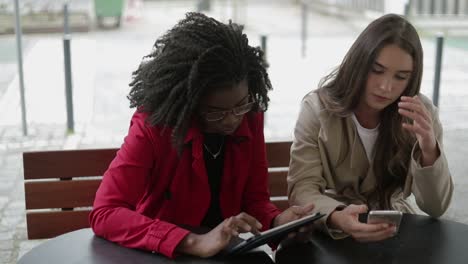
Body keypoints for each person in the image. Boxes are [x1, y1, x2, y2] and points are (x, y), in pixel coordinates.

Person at [89, 12, 314, 259]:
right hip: (164, 255)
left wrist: (278, 221)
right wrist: (194, 241)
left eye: (240, 105)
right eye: (216, 112)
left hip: (226, 254)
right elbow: (105, 212)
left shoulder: (250, 117)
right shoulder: (154, 125)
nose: (232, 120)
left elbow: (254, 199)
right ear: (190, 102)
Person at [287, 14, 453, 242]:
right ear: (359, 63)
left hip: (396, 228)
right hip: (334, 231)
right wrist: (336, 216)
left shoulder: (420, 114)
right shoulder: (317, 108)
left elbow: (436, 207)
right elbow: (303, 188)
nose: (386, 86)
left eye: (401, 77)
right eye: (377, 70)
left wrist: (429, 150)